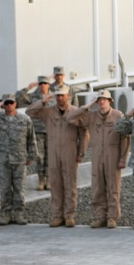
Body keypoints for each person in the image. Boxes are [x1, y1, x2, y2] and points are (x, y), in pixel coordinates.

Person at [66, 89, 130, 228]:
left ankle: (112, 217)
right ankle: (99, 216)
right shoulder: (91, 116)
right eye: (99, 100)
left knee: (113, 187)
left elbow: (125, 138)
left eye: (104, 99)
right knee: (97, 187)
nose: (102, 102)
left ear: (109, 101)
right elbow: (71, 118)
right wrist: (86, 107)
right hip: (97, 156)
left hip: (112, 156)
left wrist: (123, 158)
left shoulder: (117, 115)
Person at [26, 84, 88, 227]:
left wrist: (81, 152)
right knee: (55, 185)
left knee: (70, 185)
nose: (60, 98)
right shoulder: (48, 112)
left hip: (70, 152)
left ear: (68, 96)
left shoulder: (75, 111)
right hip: (53, 153)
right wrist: (43, 102)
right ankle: (57, 215)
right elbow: (30, 112)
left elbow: (84, 133)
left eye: (63, 95)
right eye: (58, 95)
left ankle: (69, 215)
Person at [0, 93, 38, 225]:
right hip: (3, 159)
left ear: (16, 104)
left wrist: (32, 155)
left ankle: (19, 213)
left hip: (19, 159)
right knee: (5, 188)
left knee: (19, 188)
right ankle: (6, 213)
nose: (8, 105)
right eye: (6, 103)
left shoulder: (25, 119)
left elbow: (31, 138)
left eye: (11, 102)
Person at [15, 75, 53, 190]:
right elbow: (19, 97)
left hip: (51, 130)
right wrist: (28, 88)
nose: (43, 86)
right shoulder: (33, 97)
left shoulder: (54, 97)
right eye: (40, 84)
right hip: (38, 130)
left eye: (45, 83)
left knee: (50, 156)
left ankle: (49, 179)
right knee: (40, 156)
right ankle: (41, 179)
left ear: (48, 85)